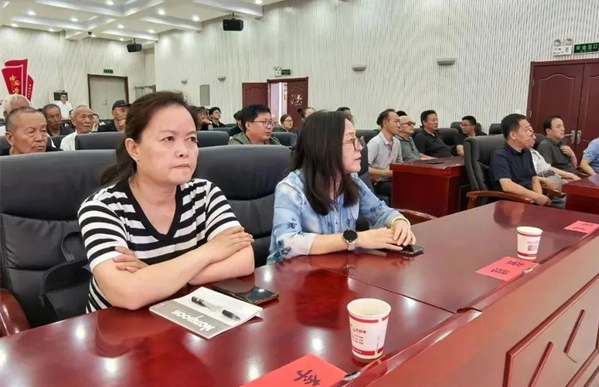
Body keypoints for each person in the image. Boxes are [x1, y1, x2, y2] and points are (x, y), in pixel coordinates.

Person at [77, 91, 255, 312]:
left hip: (185, 316)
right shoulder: (102, 208)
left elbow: (244, 259)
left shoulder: (205, 193)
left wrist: (153, 273)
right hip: (121, 327)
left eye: (192, 139)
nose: (184, 151)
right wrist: (210, 251)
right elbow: (127, 292)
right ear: (134, 149)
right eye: (168, 139)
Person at [267, 110, 416, 263]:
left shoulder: (351, 180)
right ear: (325, 146)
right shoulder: (291, 188)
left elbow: (381, 211)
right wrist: (356, 239)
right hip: (289, 273)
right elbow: (288, 243)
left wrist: (399, 222)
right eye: (351, 140)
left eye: (357, 139)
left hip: (333, 267)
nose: (360, 147)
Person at [490, 114, 551, 206]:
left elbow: (533, 178)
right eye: (526, 130)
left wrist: (539, 197)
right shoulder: (500, 155)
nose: (531, 134)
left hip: (529, 201)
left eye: (530, 129)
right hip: (510, 204)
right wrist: (536, 197)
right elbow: (507, 186)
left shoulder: (526, 152)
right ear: (513, 135)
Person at [367, 109, 403, 197]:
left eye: (399, 122)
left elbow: (399, 163)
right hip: (378, 182)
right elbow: (363, 168)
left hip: (392, 179)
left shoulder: (397, 142)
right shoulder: (375, 143)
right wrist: (384, 173)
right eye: (396, 122)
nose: (399, 125)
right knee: (401, 188)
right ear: (385, 123)